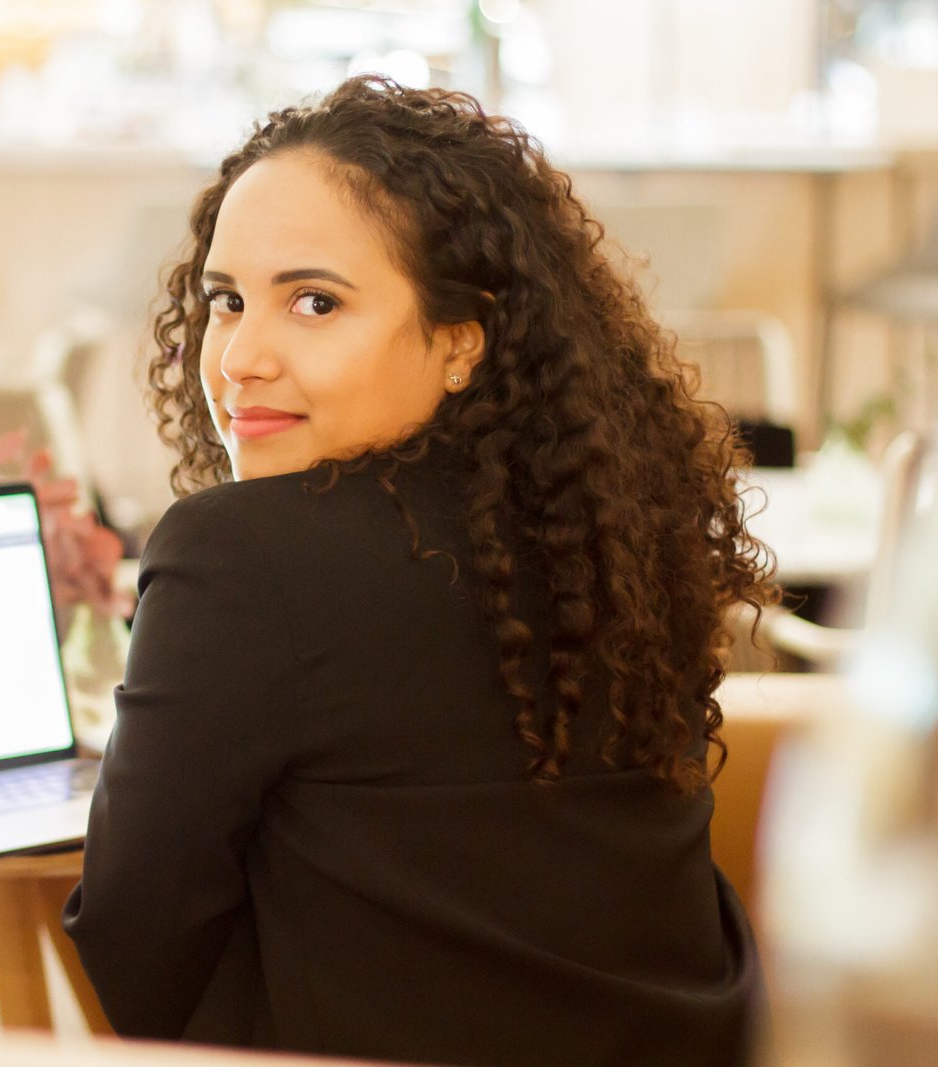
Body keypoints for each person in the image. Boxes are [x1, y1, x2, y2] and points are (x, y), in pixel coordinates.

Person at [61, 76, 775, 1067]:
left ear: (458, 339)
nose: (238, 358)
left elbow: (134, 942)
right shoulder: (605, 530)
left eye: (314, 302)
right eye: (225, 300)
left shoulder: (241, 553)